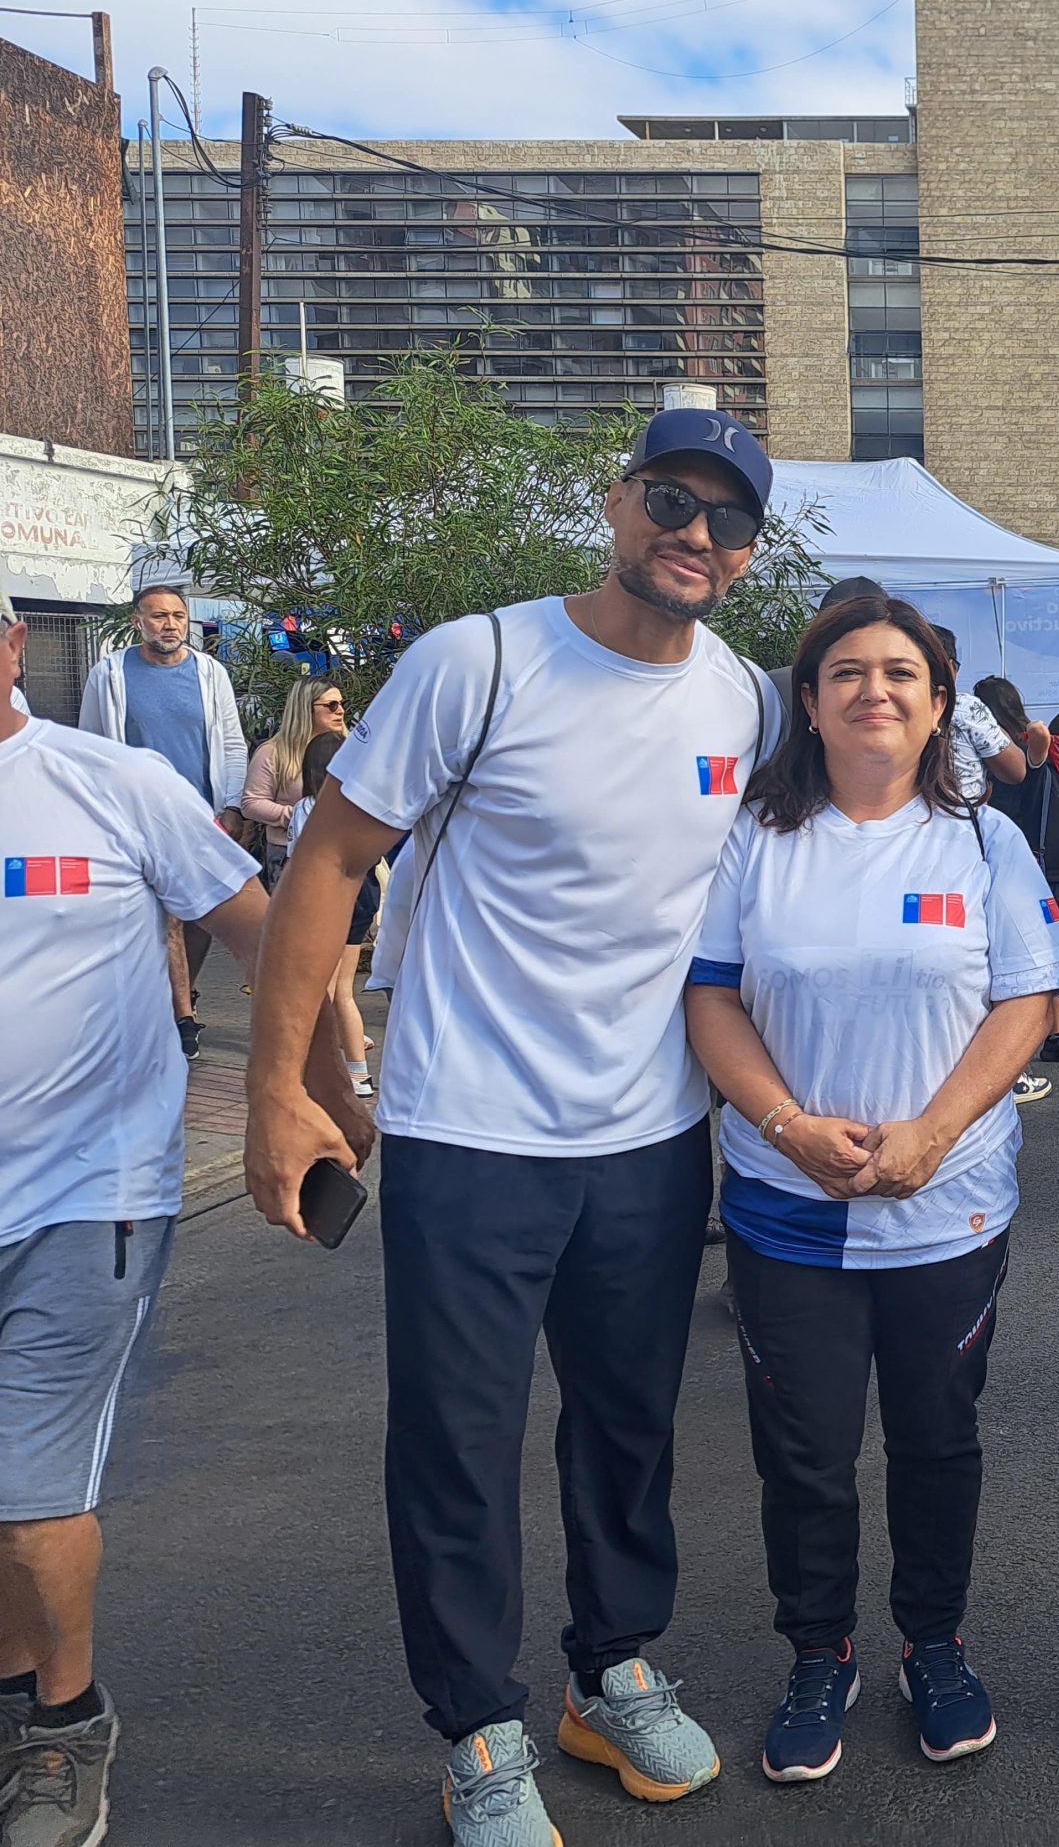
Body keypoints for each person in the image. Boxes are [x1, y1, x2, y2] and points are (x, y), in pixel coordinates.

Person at [243, 406, 780, 1846]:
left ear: (744, 558)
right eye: (671, 498)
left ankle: (607, 1677)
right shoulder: (477, 659)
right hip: (470, 1132)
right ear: (618, 503)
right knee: (459, 1441)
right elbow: (328, 868)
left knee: (628, 1429)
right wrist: (283, 1092)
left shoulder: (745, 701)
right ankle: (479, 1726)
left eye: (727, 521)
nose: (694, 533)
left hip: (653, 1140)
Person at [683, 594, 1059, 1782]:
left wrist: (933, 1133)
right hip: (783, 1199)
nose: (874, 692)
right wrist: (789, 1126)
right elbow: (711, 996)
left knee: (936, 1440)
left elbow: (1028, 1003)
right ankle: (819, 1652)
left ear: (940, 703)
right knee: (802, 1453)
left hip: (944, 1203)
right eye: (844, 672)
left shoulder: (986, 840)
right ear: (806, 701)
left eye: (902, 673)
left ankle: (933, 1644)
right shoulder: (754, 834)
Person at [0, 592, 324, 1847]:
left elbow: (266, 934)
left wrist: (295, 1095)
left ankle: (67, 1726)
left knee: (30, 1497)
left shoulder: (109, 781)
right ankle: (19, 1693)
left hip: (91, 1191)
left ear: (18, 644)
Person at [78, 583, 251, 1060]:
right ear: (138, 621)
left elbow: (232, 744)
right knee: (162, 918)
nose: (170, 625)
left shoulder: (210, 674)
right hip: (136, 818)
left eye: (177, 616)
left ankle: (181, 995)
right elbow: (93, 746)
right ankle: (180, 1016)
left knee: (197, 917)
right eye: (158, 616)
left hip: (200, 818)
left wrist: (232, 807)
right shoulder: (111, 674)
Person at [977, 676, 1059, 1077]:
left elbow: (1040, 733)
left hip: (1015, 858)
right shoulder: (1004, 751)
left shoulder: (1016, 749)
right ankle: (1044, 1041)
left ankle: (1048, 1038)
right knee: (1037, 954)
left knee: (1029, 955)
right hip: (1022, 859)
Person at [281, 730, 383, 1101]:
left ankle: (318, 1072)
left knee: (320, 991)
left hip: (322, 900)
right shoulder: (362, 805)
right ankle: (359, 1075)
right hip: (360, 897)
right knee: (344, 991)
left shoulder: (307, 808)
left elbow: (298, 860)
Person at [241, 675, 347, 888]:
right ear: (306, 709)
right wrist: (297, 816)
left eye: (343, 704)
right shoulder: (273, 752)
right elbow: (251, 803)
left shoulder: (350, 747)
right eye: (331, 705)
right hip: (288, 854)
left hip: (342, 851)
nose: (340, 711)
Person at [932, 628, 1031, 805]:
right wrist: (994, 728)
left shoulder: (886, 707)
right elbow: (1016, 772)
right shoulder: (966, 707)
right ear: (951, 667)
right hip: (962, 819)